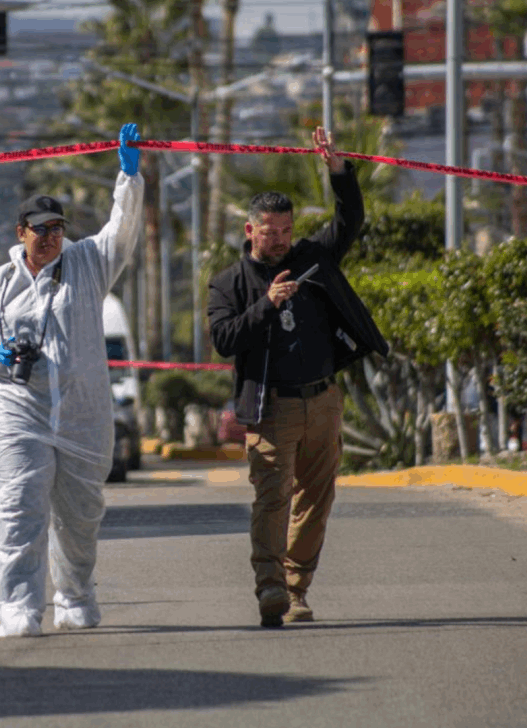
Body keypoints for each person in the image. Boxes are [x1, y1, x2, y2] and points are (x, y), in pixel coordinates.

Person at [0, 123, 145, 638]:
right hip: (18, 410)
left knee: (81, 518)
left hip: (83, 412)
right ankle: (17, 607)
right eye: (41, 229)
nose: (51, 237)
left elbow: (121, 232)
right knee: (20, 510)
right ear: (21, 232)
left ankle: (75, 597)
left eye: (57, 227)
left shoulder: (87, 263)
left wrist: (128, 177)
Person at [207, 127, 388, 627]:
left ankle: (295, 587)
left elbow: (350, 220)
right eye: (270, 232)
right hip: (271, 408)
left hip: (323, 400)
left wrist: (336, 170)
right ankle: (269, 587)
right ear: (250, 231)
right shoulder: (230, 283)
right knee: (272, 498)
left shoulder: (312, 259)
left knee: (317, 497)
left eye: (285, 230)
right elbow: (224, 339)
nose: (280, 239)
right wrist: (266, 306)